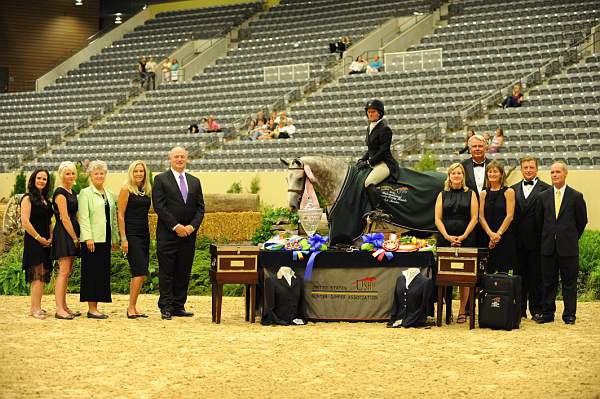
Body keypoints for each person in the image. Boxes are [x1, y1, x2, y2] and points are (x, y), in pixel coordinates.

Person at [152, 147, 205, 320]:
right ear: (170, 159)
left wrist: (191, 227)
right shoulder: (160, 179)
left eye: (182, 156)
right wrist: (176, 226)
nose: (180, 159)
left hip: (188, 236)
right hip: (168, 235)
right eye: (176, 157)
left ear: (187, 158)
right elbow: (159, 206)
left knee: (183, 271)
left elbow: (200, 208)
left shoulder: (195, 181)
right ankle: (166, 307)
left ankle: (178, 305)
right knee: (167, 272)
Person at [536, 161, 587, 325]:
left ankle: (569, 315)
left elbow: (582, 222)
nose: (555, 175)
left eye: (558, 172)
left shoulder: (576, 196)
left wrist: (570, 237)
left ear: (565, 173)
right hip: (548, 247)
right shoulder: (542, 197)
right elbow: (539, 222)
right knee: (547, 282)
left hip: (568, 248)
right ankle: (547, 314)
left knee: (569, 283)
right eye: (552, 172)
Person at [434, 163, 478, 323]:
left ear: (463, 176)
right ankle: (447, 312)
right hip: (445, 239)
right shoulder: (442, 194)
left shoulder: (471, 194)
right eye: (454, 173)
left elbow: (475, 217)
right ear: (449, 175)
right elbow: (437, 218)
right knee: (445, 276)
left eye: (459, 173)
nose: (457, 175)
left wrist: (463, 236)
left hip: (467, 239)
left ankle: (462, 311)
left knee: (464, 277)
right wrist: (447, 236)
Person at [511, 157, 551, 319]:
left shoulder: (547, 189)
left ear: (537, 169)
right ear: (521, 169)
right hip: (518, 241)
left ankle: (536, 309)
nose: (528, 170)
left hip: (538, 241)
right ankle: (519, 310)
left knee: (536, 277)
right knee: (519, 276)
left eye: (531, 167)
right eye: (525, 167)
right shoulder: (512, 190)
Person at [78, 161, 118, 319]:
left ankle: (96, 307)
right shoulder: (85, 193)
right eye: (96, 173)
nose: (99, 176)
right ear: (91, 176)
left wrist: (114, 238)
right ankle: (91, 309)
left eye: (102, 173)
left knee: (101, 272)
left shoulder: (109, 193)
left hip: (105, 239)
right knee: (91, 273)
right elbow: (84, 217)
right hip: (92, 240)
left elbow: (112, 218)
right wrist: (88, 238)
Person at [118, 160, 152, 319]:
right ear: (131, 173)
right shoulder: (126, 189)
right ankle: (130, 307)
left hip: (144, 234)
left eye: (142, 171)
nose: (139, 174)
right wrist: (123, 238)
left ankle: (133, 306)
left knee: (140, 272)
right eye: (136, 171)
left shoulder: (145, 191)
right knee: (139, 271)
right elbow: (120, 215)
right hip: (131, 235)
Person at [21, 168, 53, 319]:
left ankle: (36, 306)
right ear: (33, 180)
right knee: (37, 274)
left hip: (46, 241)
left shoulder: (45, 199)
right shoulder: (28, 198)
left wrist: (51, 237)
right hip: (34, 241)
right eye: (39, 178)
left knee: (43, 273)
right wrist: (39, 238)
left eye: (44, 179)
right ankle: (34, 309)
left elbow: (49, 221)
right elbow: (25, 222)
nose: (41, 181)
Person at [357, 99, 400, 210]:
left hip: (384, 163)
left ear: (379, 113)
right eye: (369, 112)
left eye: (373, 112)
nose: (370, 114)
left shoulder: (385, 129)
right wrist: (362, 159)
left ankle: (378, 211)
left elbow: (383, 151)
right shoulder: (369, 128)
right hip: (375, 162)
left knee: (368, 182)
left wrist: (368, 162)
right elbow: (371, 149)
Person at [51, 161, 81, 320]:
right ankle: (59, 309)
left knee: (67, 271)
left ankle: (65, 306)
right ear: (61, 175)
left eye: (72, 173)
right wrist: (75, 237)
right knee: (63, 271)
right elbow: (64, 218)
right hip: (64, 233)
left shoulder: (72, 191)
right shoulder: (60, 193)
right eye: (67, 173)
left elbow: (75, 215)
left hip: (72, 232)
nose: (70, 176)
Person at [479, 160, 517, 274]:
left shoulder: (509, 191)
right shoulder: (483, 193)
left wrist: (497, 235)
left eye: (495, 171)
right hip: (486, 236)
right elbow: (481, 217)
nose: (492, 174)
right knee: (487, 271)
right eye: (489, 172)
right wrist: (491, 235)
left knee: (503, 273)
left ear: (501, 174)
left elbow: (510, 216)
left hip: (504, 237)